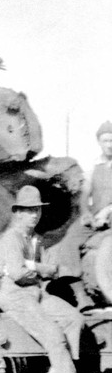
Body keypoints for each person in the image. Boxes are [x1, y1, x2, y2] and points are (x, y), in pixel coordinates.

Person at [0, 185, 94, 373]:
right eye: (28, 211)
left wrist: (34, 267)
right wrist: (37, 268)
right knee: (53, 334)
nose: (33, 215)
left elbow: (51, 271)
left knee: (74, 319)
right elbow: (19, 275)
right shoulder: (12, 239)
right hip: (16, 297)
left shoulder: (36, 240)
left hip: (37, 292)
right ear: (17, 212)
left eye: (36, 211)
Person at [44, 120, 112, 311]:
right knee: (70, 241)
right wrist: (85, 213)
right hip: (97, 216)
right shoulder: (95, 167)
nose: (109, 145)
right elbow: (85, 194)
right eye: (105, 140)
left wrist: (107, 212)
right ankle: (80, 295)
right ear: (99, 142)